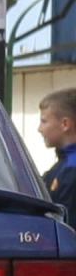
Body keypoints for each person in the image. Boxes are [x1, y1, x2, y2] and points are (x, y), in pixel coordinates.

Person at [39, 88, 76, 224]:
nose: (39, 129)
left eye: (44, 121)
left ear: (65, 124)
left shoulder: (71, 170)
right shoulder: (62, 165)